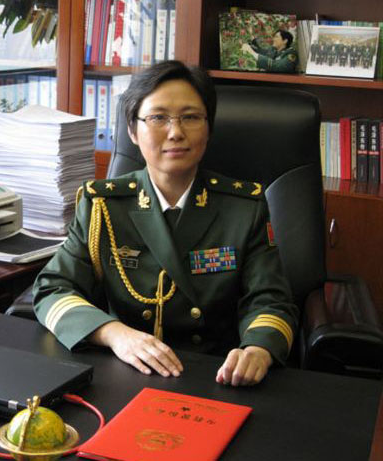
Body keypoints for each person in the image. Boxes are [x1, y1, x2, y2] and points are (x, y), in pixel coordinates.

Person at [33, 61, 299, 387]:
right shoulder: (102, 205)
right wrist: (114, 334)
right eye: (158, 118)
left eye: (190, 117)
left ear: (209, 128)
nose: (175, 132)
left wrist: (258, 349)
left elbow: (270, 300)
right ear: (133, 131)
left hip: (217, 373)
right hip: (125, 369)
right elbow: (53, 289)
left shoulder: (244, 207)